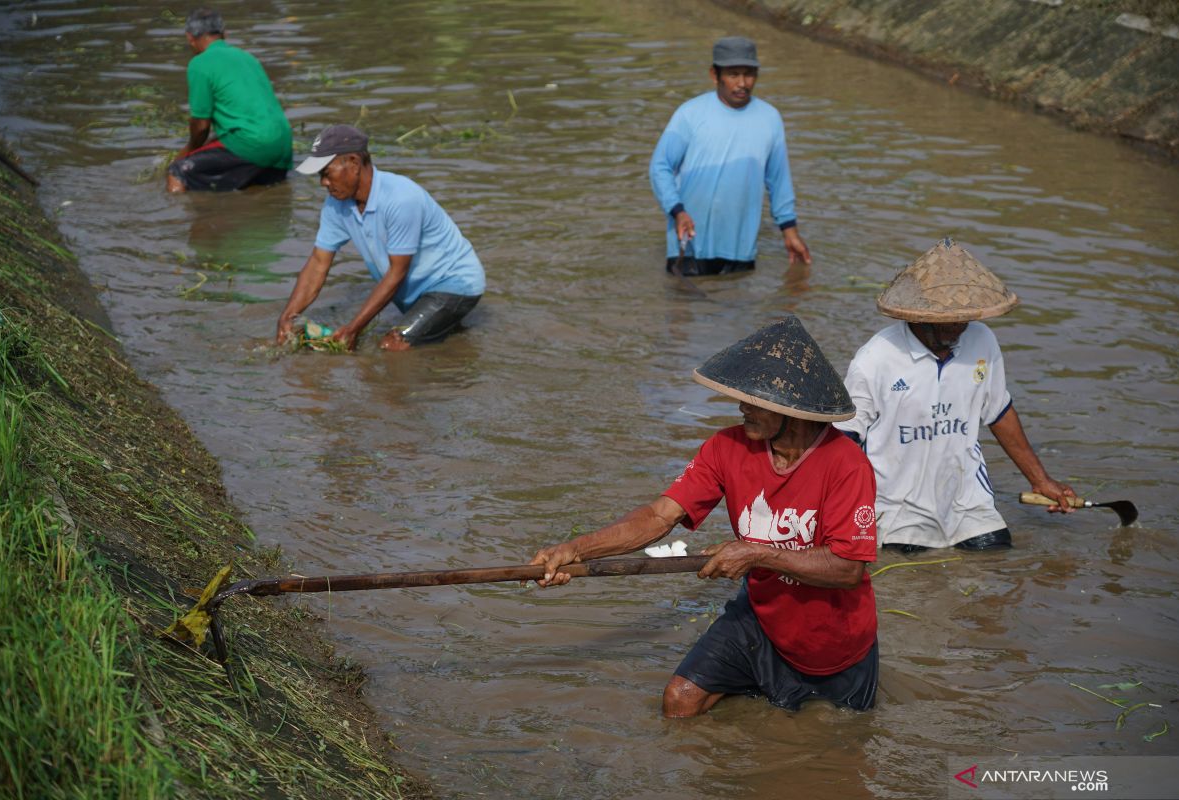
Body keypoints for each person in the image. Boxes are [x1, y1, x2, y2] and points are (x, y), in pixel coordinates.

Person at [532, 317, 878, 717]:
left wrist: (756, 554)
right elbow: (660, 516)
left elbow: (848, 567)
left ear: (792, 411)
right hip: (760, 618)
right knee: (679, 701)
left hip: (833, 640)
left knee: (836, 742)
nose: (741, 406)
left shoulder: (846, 464)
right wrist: (577, 549)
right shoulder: (725, 447)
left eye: (754, 400)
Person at [835, 238, 1076, 554]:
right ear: (919, 316)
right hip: (897, 507)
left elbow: (998, 412)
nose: (960, 327)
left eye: (965, 319)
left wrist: (1040, 480)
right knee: (913, 584)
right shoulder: (876, 359)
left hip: (967, 501)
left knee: (998, 565)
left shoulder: (982, 340)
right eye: (950, 321)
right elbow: (846, 439)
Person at [275, 125, 485, 351]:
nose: (323, 183)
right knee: (435, 340)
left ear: (354, 163)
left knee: (392, 345)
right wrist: (288, 316)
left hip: (453, 284)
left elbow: (397, 272)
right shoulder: (336, 204)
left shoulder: (401, 198)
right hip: (414, 291)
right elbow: (318, 262)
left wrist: (353, 329)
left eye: (326, 173)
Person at [648, 36, 811, 276]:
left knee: (739, 305)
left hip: (740, 247)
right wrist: (677, 210)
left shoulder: (769, 118)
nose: (742, 83)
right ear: (715, 75)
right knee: (681, 308)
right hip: (690, 242)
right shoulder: (690, 114)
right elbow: (659, 167)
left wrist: (790, 231)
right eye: (733, 74)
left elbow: (778, 180)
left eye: (749, 74)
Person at [166, 8, 293, 193]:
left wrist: (185, 154)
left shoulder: (200, 64)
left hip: (253, 144)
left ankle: (179, 219)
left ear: (190, 38)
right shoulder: (247, 57)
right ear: (224, 34)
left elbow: (201, 127)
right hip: (282, 146)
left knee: (177, 172)